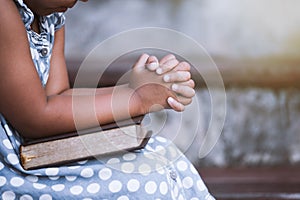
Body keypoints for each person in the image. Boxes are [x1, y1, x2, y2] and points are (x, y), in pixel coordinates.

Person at [0, 0, 215, 199]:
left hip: (37, 158)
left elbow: (58, 97)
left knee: (166, 155)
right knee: (145, 180)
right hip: (14, 173)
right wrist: (135, 97)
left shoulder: (51, 17)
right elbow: (37, 117)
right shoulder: (4, 11)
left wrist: (133, 88)